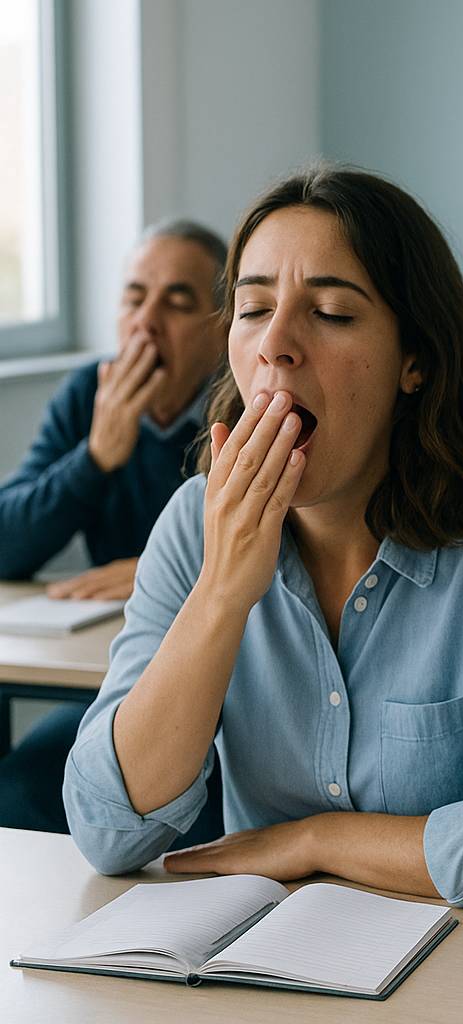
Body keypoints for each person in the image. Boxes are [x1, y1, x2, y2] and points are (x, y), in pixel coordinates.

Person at [64, 166, 463, 912]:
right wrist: (223, 593)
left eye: (329, 312)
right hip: (280, 966)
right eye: (255, 308)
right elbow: (106, 830)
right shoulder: (193, 526)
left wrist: (315, 840)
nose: (278, 346)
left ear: (414, 361)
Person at [0, 220, 227, 837]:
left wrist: (163, 571)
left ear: (223, 325)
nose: (146, 322)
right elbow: (7, 544)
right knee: (20, 783)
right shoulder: (89, 396)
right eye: (134, 297)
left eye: (178, 302)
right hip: (117, 680)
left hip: (223, 701)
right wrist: (95, 457)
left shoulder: (241, 406)